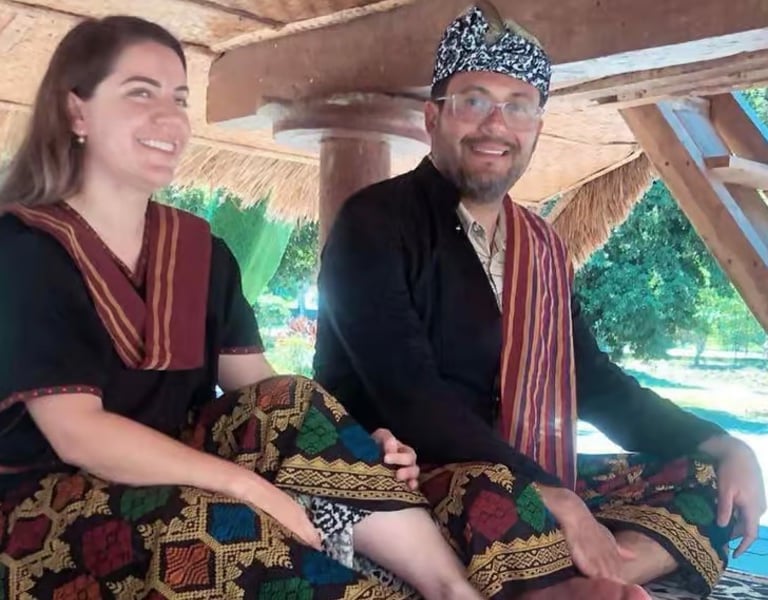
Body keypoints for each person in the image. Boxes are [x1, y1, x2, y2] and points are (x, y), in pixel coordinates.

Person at [0, 15, 488, 600]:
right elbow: (79, 434)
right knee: (213, 530)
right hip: (45, 502)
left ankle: (452, 590)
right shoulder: (26, 249)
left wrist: (348, 444)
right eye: (140, 93)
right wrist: (247, 487)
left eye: (179, 98)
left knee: (297, 404)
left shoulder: (199, 252)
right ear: (76, 111)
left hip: (183, 466)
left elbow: (260, 392)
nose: (169, 118)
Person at [314, 3, 767, 599]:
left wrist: (719, 442)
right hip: (409, 472)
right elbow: (410, 396)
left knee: (706, 484)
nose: (495, 125)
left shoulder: (543, 247)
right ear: (434, 117)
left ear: (536, 128)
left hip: (531, 472)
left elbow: (597, 383)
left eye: (518, 106)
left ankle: (593, 573)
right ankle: (581, 574)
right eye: (474, 100)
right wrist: (549, 495)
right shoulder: (374, 222)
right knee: (487, 503)